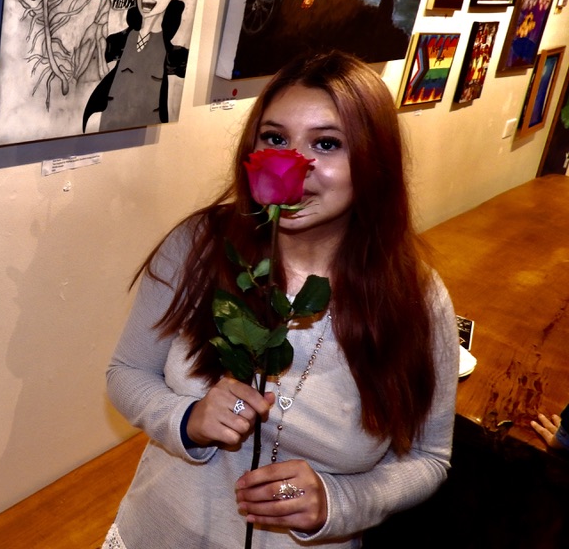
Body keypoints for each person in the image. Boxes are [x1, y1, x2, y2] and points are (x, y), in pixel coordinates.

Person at [103, 51, 459, 548]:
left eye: (327, 144)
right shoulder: (199, 245)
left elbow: (428, 458)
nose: (292, 162)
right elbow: (126, 372)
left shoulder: (416, 300)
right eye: (275, 139)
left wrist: (338, 502)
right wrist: (186, 419)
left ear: (373, 160)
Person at [82, 0, 202, 133]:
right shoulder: (122, 40)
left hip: (144, 139)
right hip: (107, 130)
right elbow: (91, 62)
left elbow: (188, 68)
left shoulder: (170, 53)